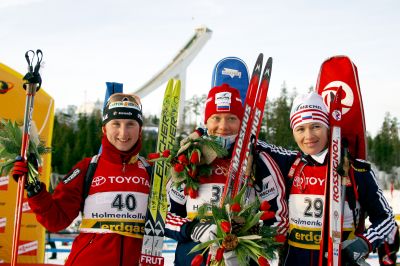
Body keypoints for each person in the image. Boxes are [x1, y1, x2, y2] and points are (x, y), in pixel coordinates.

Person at [256, 91, 396, 266]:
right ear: (293, 132)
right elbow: (252, 144)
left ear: (327, 127)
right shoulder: (290, 162)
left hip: (341, 260)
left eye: (316, 126)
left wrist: (365, 242)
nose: (309, 136)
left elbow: (387, 219)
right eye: (300, 129)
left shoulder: (357, 170)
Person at [12, 93, 150, 266]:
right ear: (104, 128)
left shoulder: (151, 170)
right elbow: (57, 220)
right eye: (116, 124)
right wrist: (35, 189)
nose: (123, 132)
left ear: (140, 129)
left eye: (130, 124)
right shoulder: (87, 168)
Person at [165, 84, 288, 265]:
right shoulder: (189, 159)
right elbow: (164, 215)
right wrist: (192, 229)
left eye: (232, 118)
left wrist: (252, 237)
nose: (223, 126)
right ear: (206, 121)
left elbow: (279, 216)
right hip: (193, 259)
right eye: (216, 118)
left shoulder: (257, 160)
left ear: (241, 122)